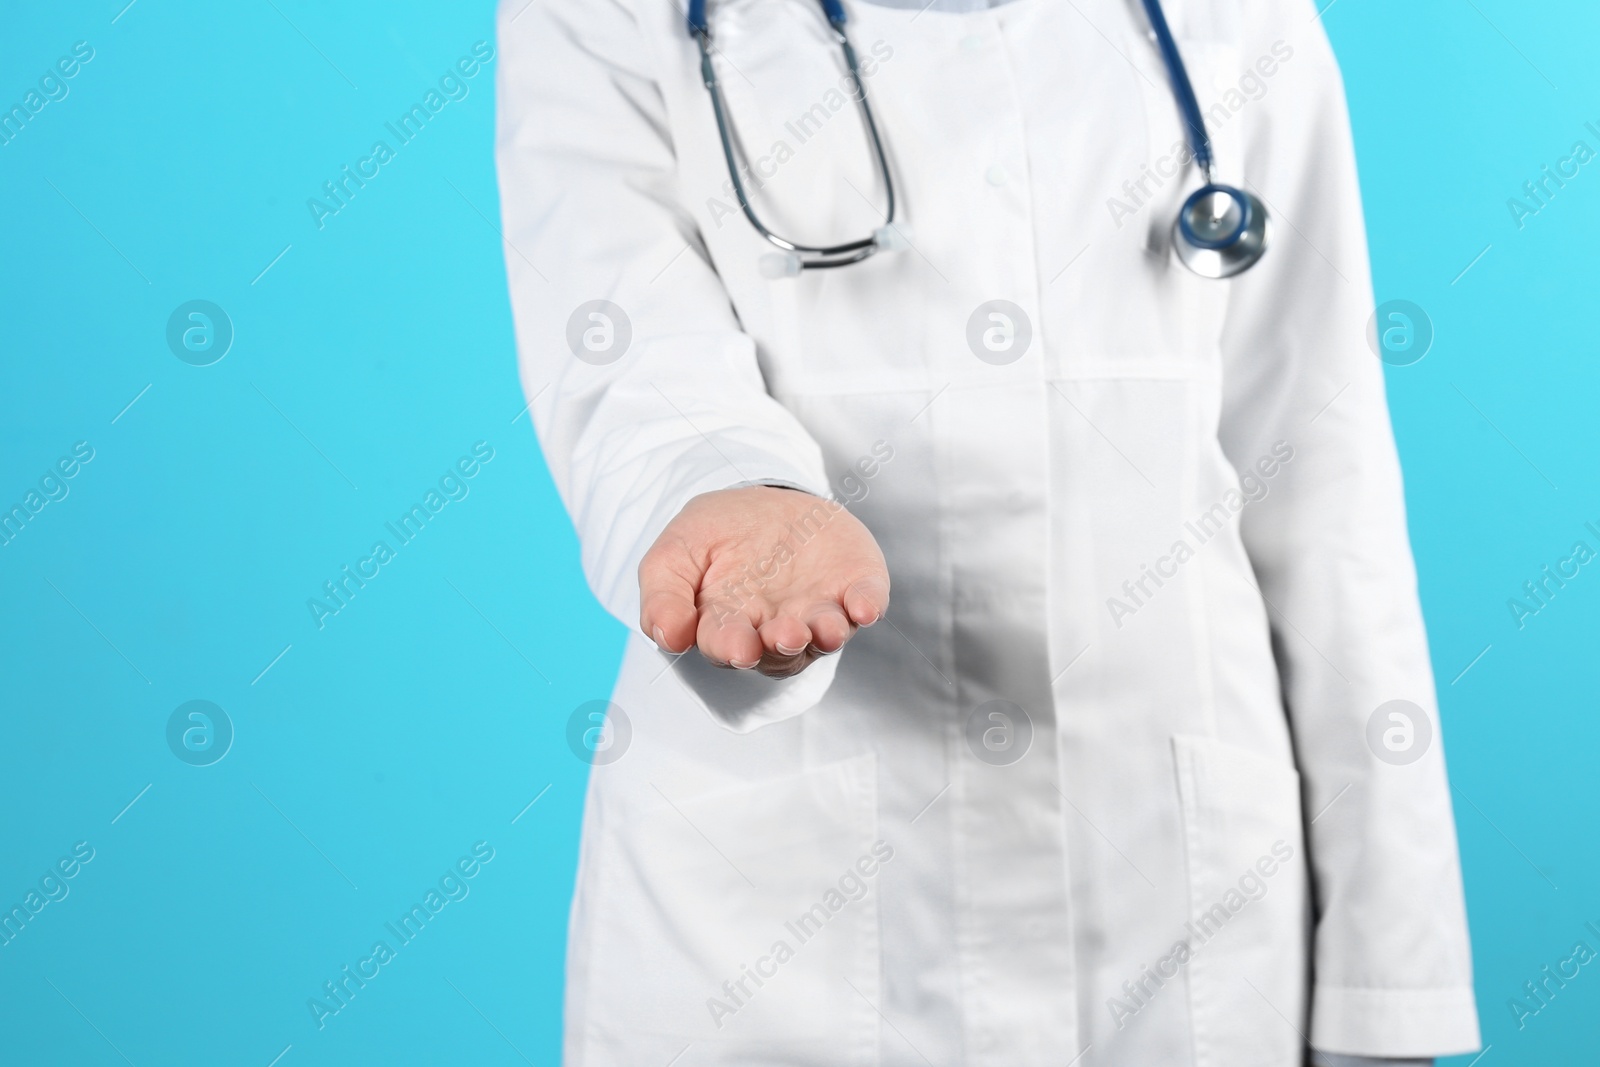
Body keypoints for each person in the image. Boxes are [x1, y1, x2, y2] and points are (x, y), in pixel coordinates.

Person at [495, 0, 1480, 1063]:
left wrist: (1390, 987)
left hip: (1178, 906)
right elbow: (629, 358)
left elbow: (1325, 484)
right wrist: (735, 496)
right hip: (776, 922)